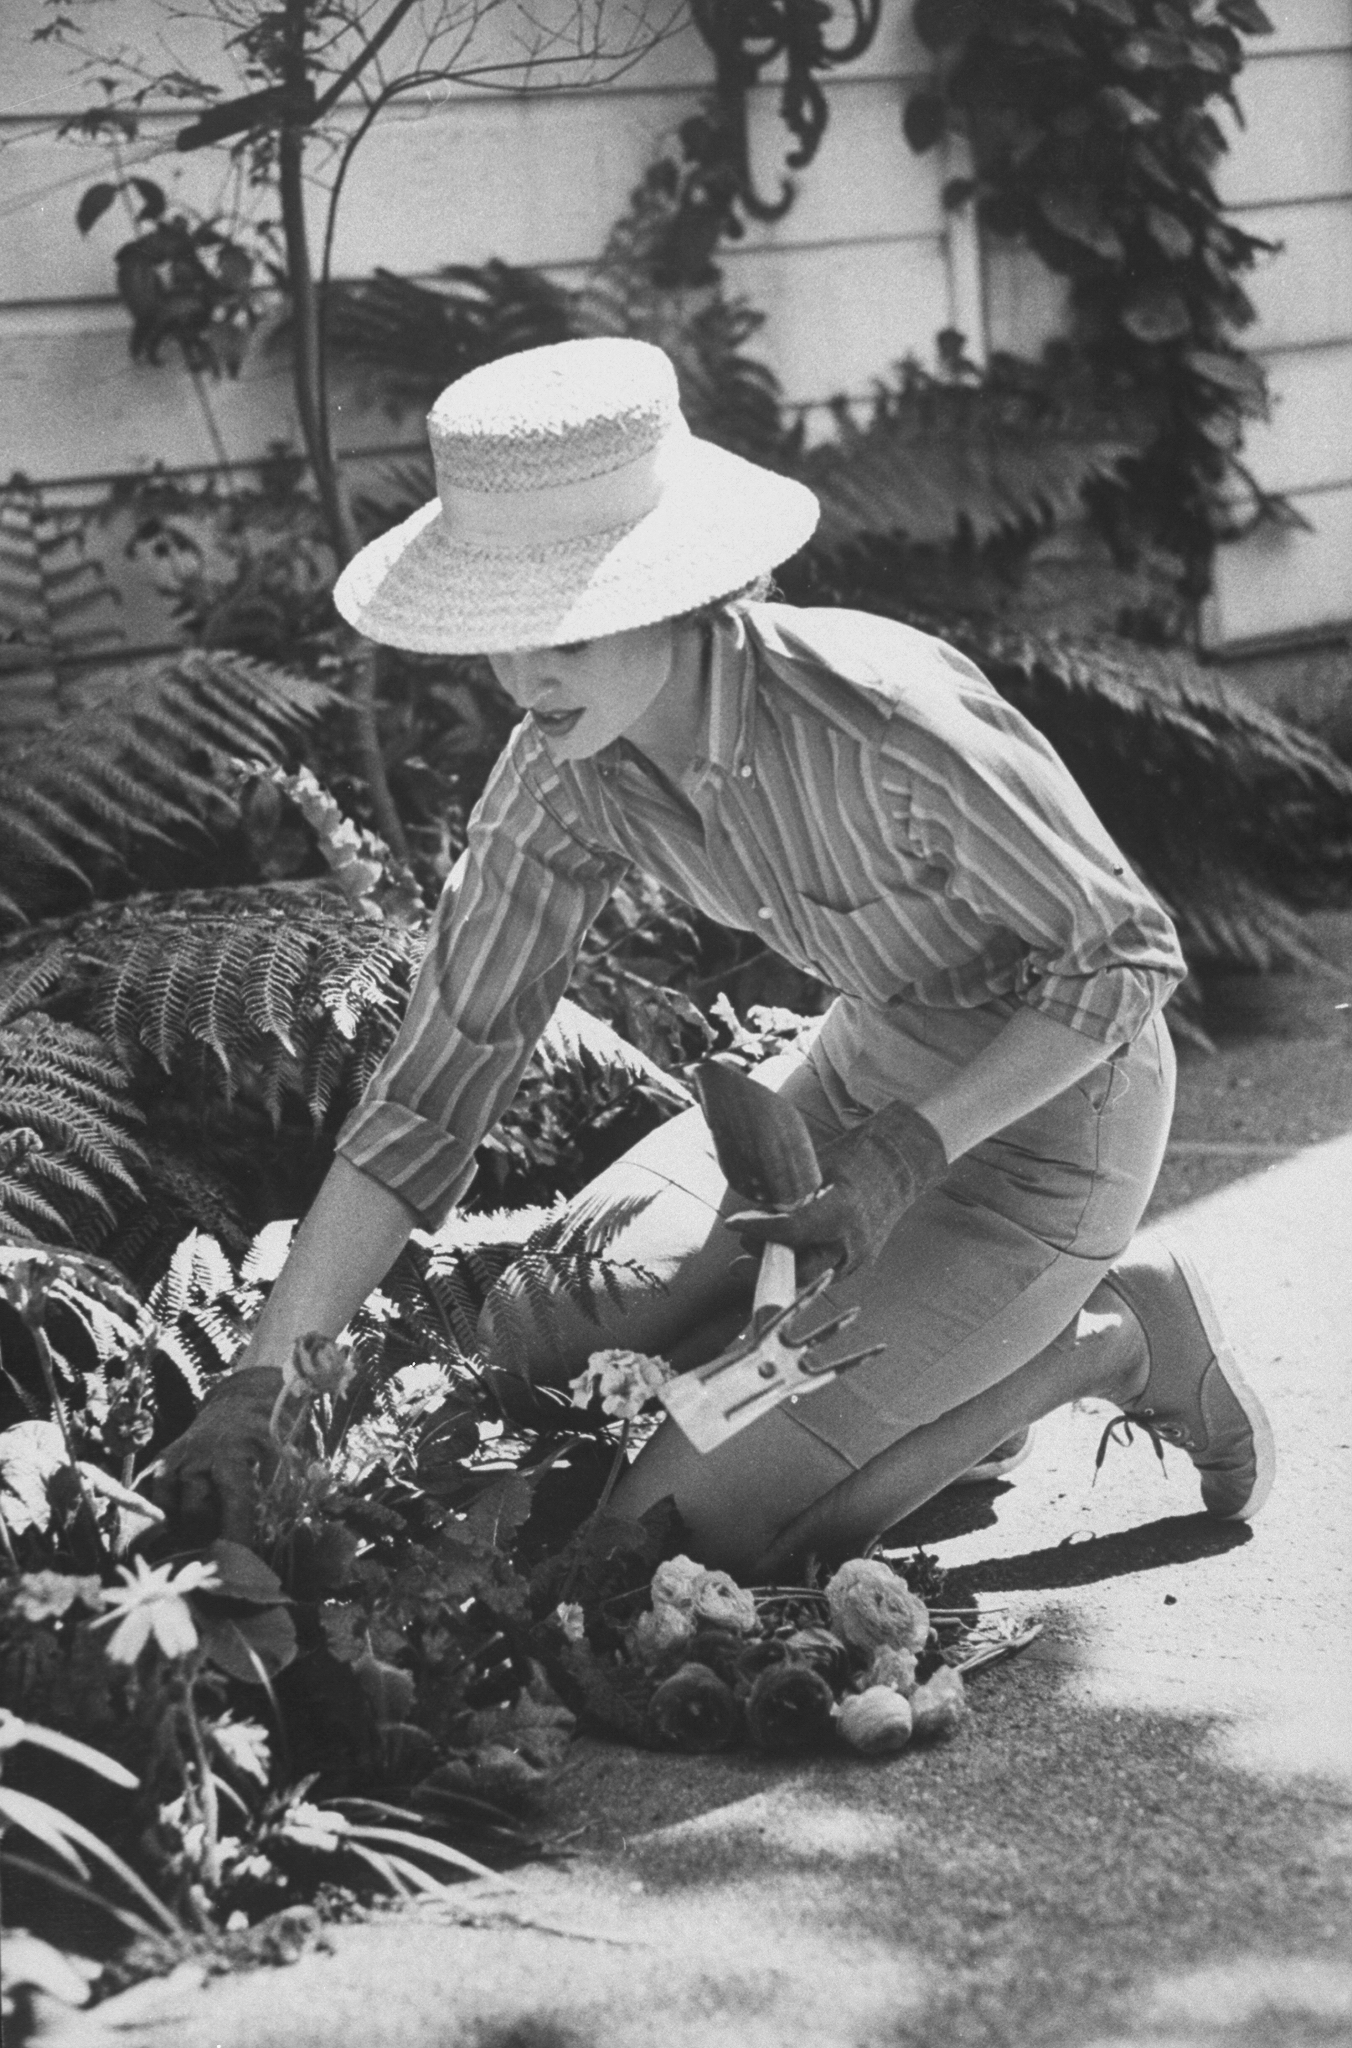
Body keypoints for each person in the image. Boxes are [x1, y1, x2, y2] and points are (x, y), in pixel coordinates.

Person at [154, 337, 1275, 1577]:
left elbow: (1122, 958)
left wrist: (907, 1155)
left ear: (670, 591)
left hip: (1049, 1124)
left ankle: (1108, 1335)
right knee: (527, 1329)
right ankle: (909, 1361)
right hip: (842, 1083)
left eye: (565, 629)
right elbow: (429, 1093)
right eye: (501, 630)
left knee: (668, 1543)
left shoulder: (884, 723)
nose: (525, 675)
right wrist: (260, 1385)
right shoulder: (560, 771)